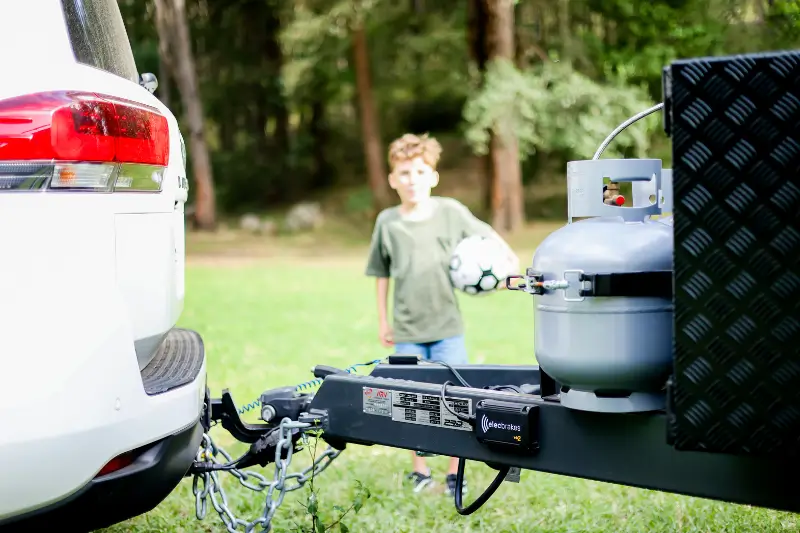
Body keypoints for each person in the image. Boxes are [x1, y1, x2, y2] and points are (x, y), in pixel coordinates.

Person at [364, 133, 519, 497]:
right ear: (392, 179)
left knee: (456, 401)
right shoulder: (388, 222)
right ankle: (420, 472)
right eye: (404, 173)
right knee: (410, 403)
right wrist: (383, 321)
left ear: (433, 176)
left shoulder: (450, 211)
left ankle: (454, 472)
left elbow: (488, 234)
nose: (412, 179)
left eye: (420, 171)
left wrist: (509, 261)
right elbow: (381, 274)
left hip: (447, 328)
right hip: (407, 330)